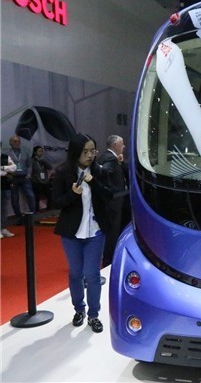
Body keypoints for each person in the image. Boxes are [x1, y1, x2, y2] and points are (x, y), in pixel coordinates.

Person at [52, 133, 112, 333]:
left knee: (92, 275)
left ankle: (94, 315)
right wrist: (72, 194)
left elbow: (109, 195)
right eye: (85, 151)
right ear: (75, 151)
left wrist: (93, 182)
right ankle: (79, 310)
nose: (90, 155)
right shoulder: (63, 172)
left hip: (95, 232)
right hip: (72, 233)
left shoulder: (99, 171)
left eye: (92, 151)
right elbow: (56, 203)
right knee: (76, 273)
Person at [97, 135, 129, 267]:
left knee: (115, 232)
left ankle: (110, 259)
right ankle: (108, 261)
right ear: (115, 145)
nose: (124, 146)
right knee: (112, 233)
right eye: (122, 144)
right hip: (112, 203)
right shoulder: (109, 159)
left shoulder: (114, 159)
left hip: (117, 201)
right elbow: (104, 172)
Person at [7, 135, 36, 224]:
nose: (17, 143)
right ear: (10, 143)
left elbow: (29, 165)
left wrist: (29, 174)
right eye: (15, 141)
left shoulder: (25, 152)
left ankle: (32, 215)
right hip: (13, 179)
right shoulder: (6, 154)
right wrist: (9, 175)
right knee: (14, 198)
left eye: (18, 141)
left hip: (25, 177)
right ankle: (19, 216)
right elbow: (4, 166)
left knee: (30, 195)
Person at [1, 148, 17, 238]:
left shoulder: (5, 157)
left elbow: (14, 168)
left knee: (4, 208)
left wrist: (3, 168)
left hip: (5, 185)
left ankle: (3, 228)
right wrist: (7, 170)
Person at [31, 146, 53, 211]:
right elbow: (31, 171)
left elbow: (50, 167)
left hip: (45, 181)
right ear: (35, 152)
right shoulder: (32, 161)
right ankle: (36, 210)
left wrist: (43, 161)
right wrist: (34, 178)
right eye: (39, 151)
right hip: (37, 181)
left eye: (42, 151)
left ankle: (49, 209)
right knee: (37, 197)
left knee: (49, 195)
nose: (41, 153)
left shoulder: (43, 160)